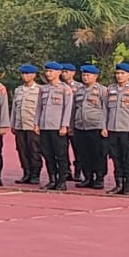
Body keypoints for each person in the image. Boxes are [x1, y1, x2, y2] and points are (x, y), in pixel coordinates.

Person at [103, 62, 129, 195]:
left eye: (122, 73)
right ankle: (119, 183)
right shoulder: (110, 89)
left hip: (127, 130)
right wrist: (104, 126)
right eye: (117, 73)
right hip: (112, 129)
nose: (119, 76)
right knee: (116, 158)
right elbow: (105, 110)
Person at [71, 65, 110, 189]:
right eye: (83, 75)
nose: (85, 77)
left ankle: (99, 178)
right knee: (83, 154)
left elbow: (106, 110)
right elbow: (74, 109)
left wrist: (104, 126)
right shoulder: (79, 90)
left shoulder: (102, 90)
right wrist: (72, 126)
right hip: (81, 127)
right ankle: (87, 177)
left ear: (95, 76)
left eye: (88, 75)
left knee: (98, 154)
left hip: (96, 126)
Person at [38, 62, 73, 191]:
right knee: (47, 154)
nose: (48, 74)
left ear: (59, 72)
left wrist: (64, 125)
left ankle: (62, 181)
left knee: (61, 155)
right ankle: (52, 179)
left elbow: (67, 108)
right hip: (44, 126)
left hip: (58, 127)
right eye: (47, 71)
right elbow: (39, 108)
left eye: (51, 71)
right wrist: (37, 123)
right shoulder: (43, 89)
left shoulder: (65, 89)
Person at [12, 64, 43, 184]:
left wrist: (39, 124)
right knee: (22, 150)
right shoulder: (18, 90)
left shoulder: (39, 90)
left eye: (28, 74)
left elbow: (41, 108)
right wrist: (13, 124)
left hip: (32, 125)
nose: (25, 76)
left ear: (34, 75)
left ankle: (35, 174)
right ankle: (26, 173)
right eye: (23, 74)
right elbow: (15, 108)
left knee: (34, 150)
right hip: (20, 125)